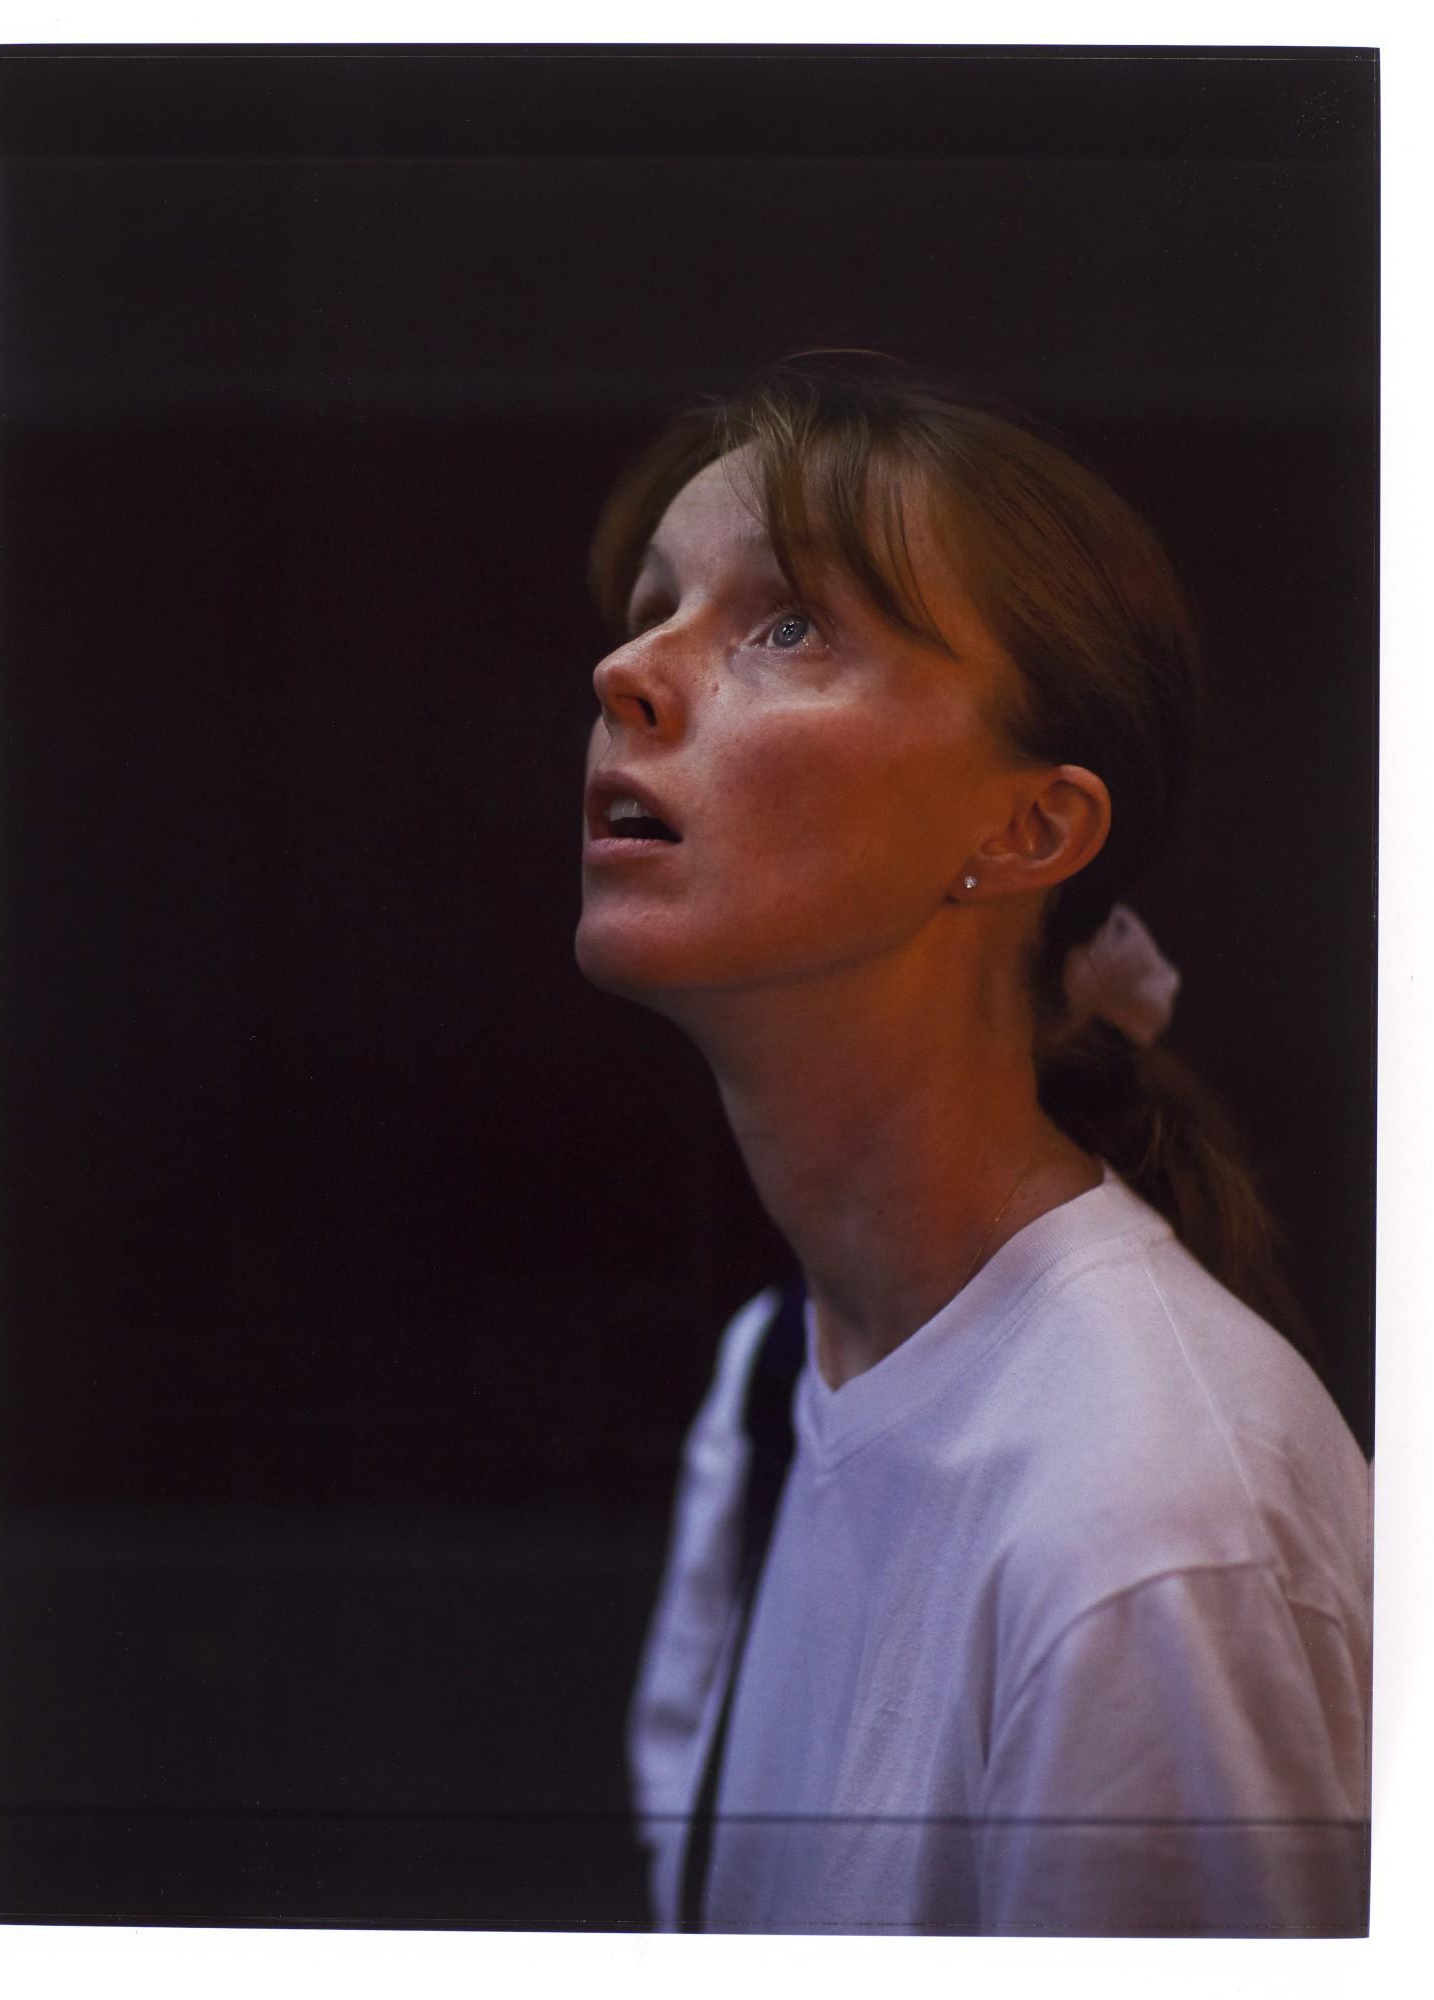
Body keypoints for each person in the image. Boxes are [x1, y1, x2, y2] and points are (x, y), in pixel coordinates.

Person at [575, 357, 1370, 1937]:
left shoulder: (1149, 1526)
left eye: (786, 623)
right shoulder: (766, 1388)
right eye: (653, 601)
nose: (627, 672)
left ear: (1029, 832)